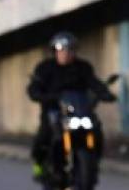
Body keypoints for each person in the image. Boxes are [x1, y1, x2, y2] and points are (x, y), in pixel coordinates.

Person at [27, 31, 116, 179]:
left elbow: (94, 83)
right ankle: (40, 164)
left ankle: (94, 162)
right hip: (54, 110)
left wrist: (105, 93)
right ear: (55, 51)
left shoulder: (83, 67)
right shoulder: (45, 68)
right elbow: (35, 86)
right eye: (61, 50)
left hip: (80, 110)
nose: (65, 53)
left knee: (96, 130)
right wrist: (37, 94)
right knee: (44, 135)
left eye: (69, 50)